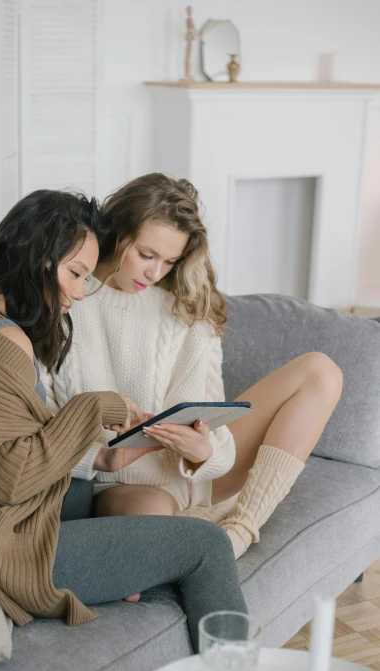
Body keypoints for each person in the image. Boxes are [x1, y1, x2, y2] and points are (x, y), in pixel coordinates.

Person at [0, 189, 247, 652]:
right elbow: (11, 478)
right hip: (3, 543)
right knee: (207, 546)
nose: (80, 292)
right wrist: (95, 407)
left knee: (154, 519)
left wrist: (102, 457)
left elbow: (6, 446)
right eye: (76, 273)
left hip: (1, 512)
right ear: (37, 258)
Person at [42, 174, 343, 559]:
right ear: (115, 233)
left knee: (321, 371)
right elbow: (46, 431)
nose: (155, 274)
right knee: (154, 539)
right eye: (146, 255)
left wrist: (203, 451)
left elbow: (215, 430)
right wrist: (104, 454)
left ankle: (239, 529)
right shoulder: (66, 297)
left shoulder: (186, 306)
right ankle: (194, 534)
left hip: (202, 479)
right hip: (122, 485)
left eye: (170, 261)